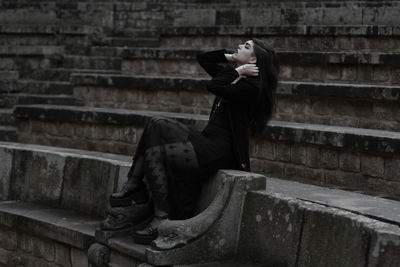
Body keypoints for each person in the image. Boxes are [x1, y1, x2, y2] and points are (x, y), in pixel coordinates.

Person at [108, 38, 280, 245]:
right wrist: (232, 58)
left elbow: (214, 86)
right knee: (155, 123)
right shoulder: (238, 78)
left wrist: (239, 70)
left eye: (245, 46)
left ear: (253, 59)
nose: (239, 46)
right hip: (207, 140)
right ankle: (135, 185)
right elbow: (203, 59)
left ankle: (159, 216)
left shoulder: (252, 87)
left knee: (156, 144)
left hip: (219, 150)